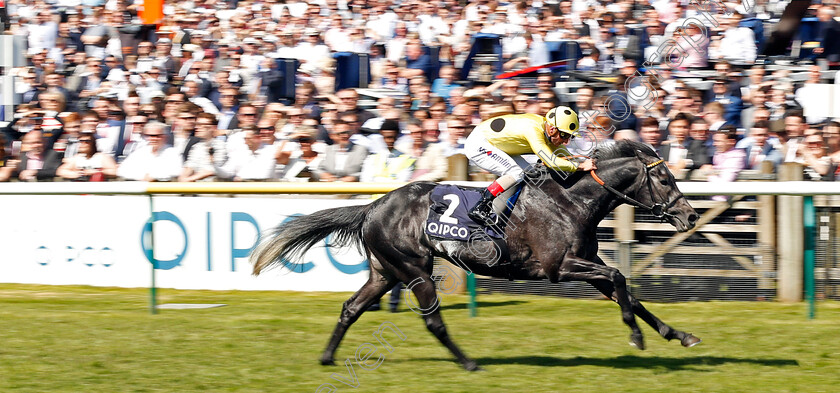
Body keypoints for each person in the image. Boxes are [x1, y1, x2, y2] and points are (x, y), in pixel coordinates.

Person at [464, 105, 595, 225]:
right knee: (516, 173)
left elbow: (566, 158)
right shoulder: (533, 130)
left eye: (570, 137)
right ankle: (481, 206)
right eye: (564, 135)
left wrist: (584, 165)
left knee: (530, 173)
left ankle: (510, 212)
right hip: (479, 144)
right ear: (552, 129)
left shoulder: (549, 132)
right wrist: (581, 166)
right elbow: (551, 161)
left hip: (496, 145)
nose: (566, 141)